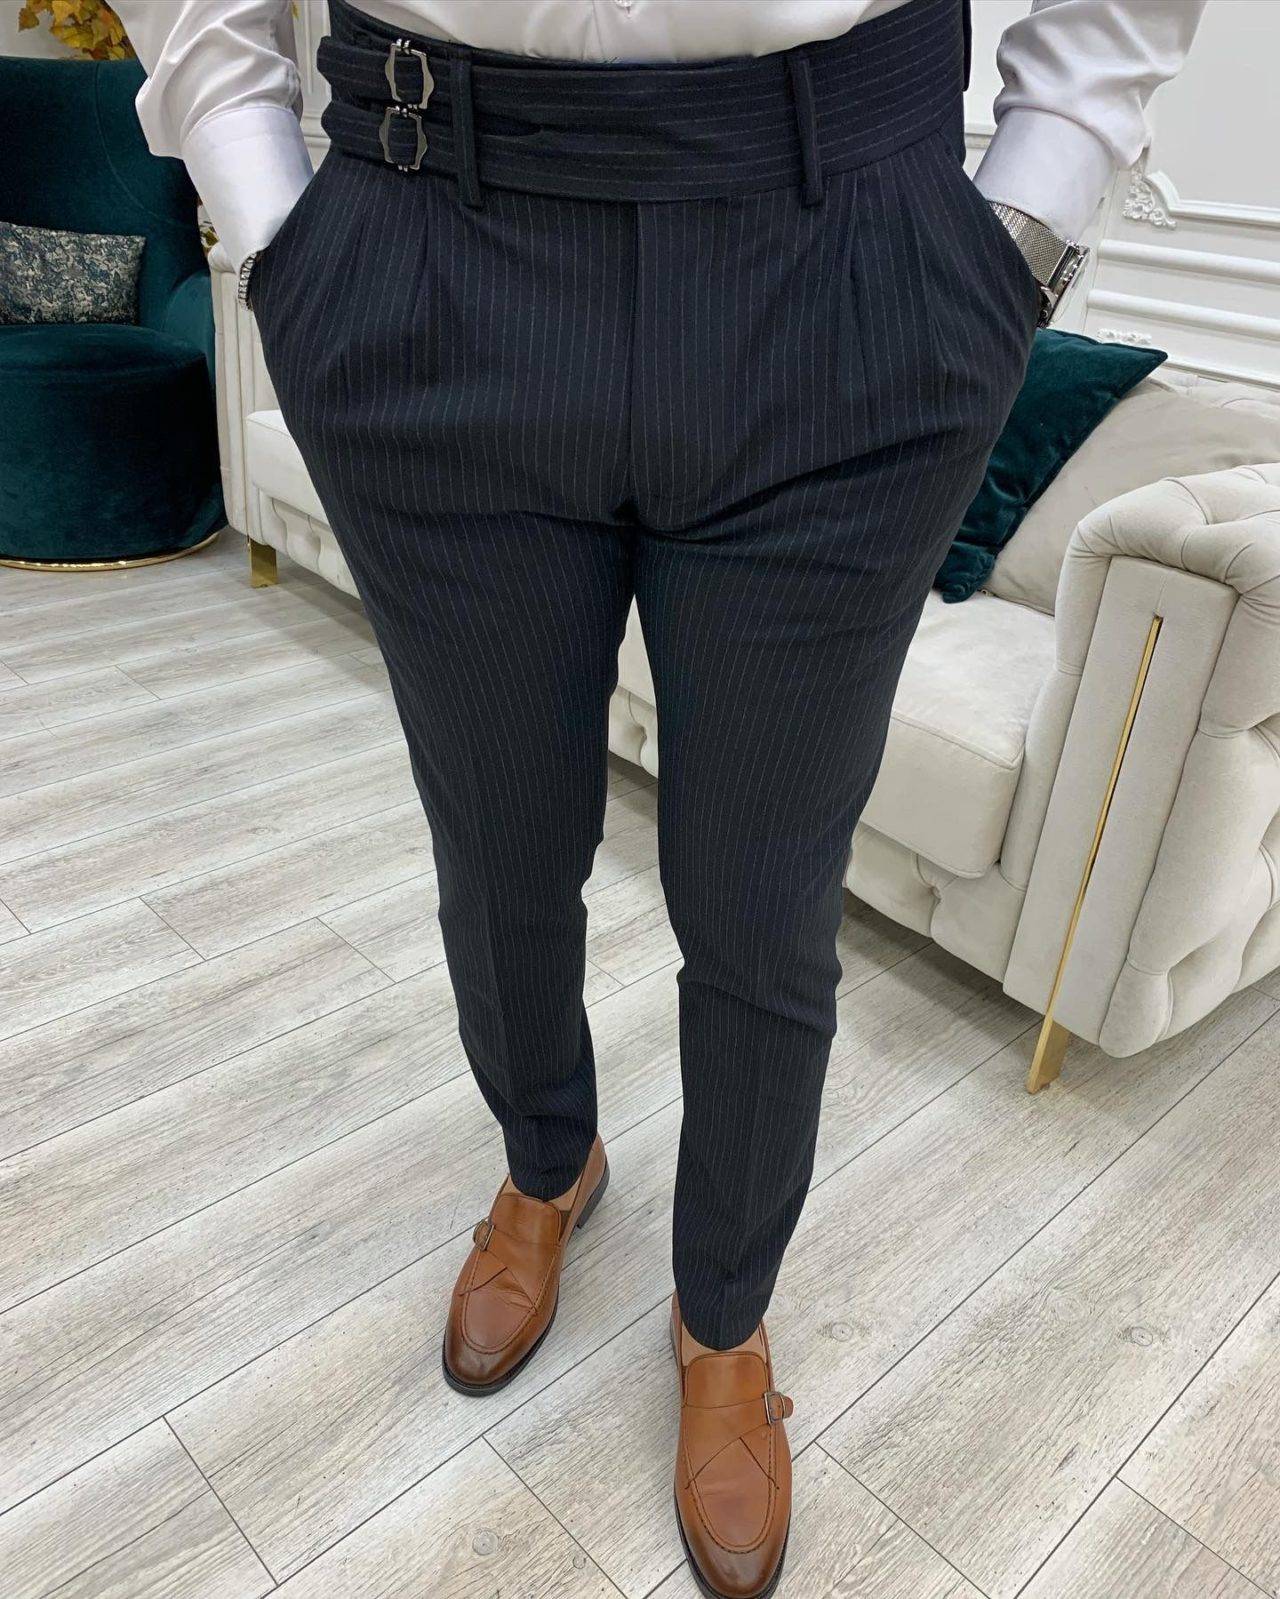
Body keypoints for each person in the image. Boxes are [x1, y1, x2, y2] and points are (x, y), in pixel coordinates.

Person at [114, 1, 1205, 1592]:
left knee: (761, 898)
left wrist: (1031, 208)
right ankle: (546, 1161)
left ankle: (726, 1314)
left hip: (848, 258)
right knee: (498, 844)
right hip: (426, 235)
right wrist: (267, 208)